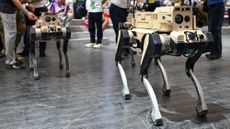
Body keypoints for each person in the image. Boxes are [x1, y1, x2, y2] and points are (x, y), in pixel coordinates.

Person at [0, 0, 37, 69]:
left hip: (9, 8)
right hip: (7, 9)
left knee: (13, 33)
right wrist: (27, 12)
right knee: (11, 34)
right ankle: (10, 62)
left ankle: (11, 58)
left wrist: (28, 2)